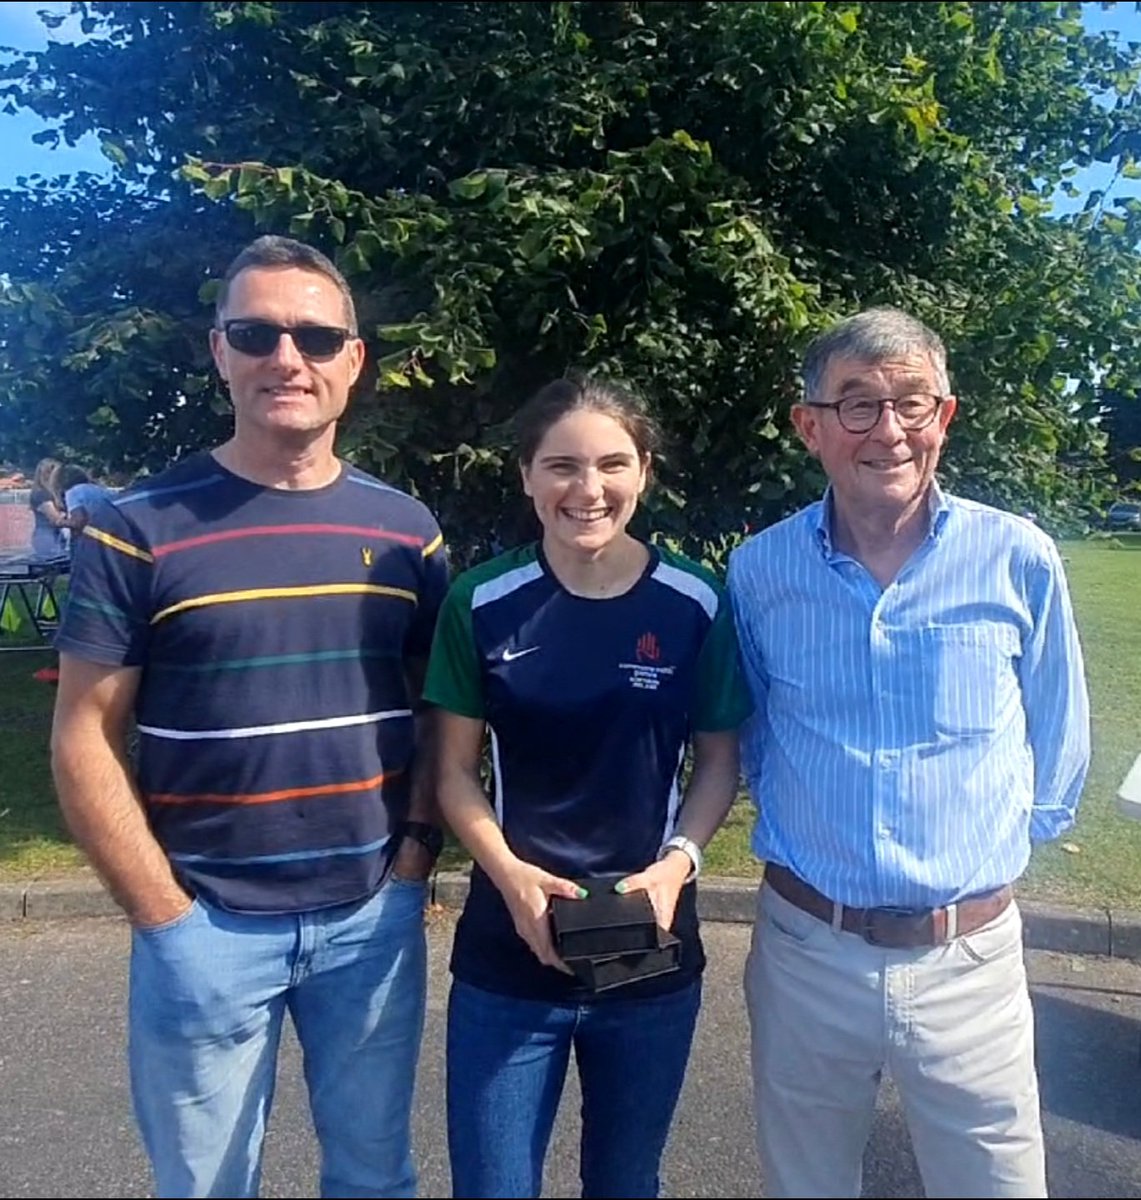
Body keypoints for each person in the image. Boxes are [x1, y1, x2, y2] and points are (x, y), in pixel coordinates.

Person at [50, 235, 449, 1199]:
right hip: (206, 925)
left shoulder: (407, 532)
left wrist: (413, 861)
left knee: (373, 1179)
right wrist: (165, 915)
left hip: (369, 918)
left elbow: (441, 713)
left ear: (353, 361)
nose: (287, 357)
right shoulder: (136, 524)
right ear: (219, 351)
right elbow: (82, 738)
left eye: (315, 336)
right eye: (256, 332)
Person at [727, 307, 1091, 1198]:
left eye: (911, 403)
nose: (887, 431)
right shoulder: (759, 570)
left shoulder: (1017, 557)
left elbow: (1059, 723)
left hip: (968, 959)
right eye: (856, 404)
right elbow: (750, 735)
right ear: (808, 425)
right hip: (806, 949)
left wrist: (994, 859)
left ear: (944, 417)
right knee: (806, 1186)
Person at [423, 377, 753, 1198]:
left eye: (612, 463)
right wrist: (509, 876)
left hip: (649, 949)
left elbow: (717, 761)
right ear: (527, 477)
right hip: (508, 957)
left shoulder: (694, 602)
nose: (588, 489)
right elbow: (453, 771)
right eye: (561, 466)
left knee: (625, 1183)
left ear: (643, 471)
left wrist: (676, 865)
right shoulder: (482, 601)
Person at [55, 464, 113, 538]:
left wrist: (61, 522)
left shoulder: (72, 493)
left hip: (97, 537)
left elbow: (79, 521)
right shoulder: (97, 488)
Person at [28, 456, 68, 558]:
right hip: (47, 537)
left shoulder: (55, 493)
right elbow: (55, 519)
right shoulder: (41, 494)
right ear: (48, 475)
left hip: (57, 536)